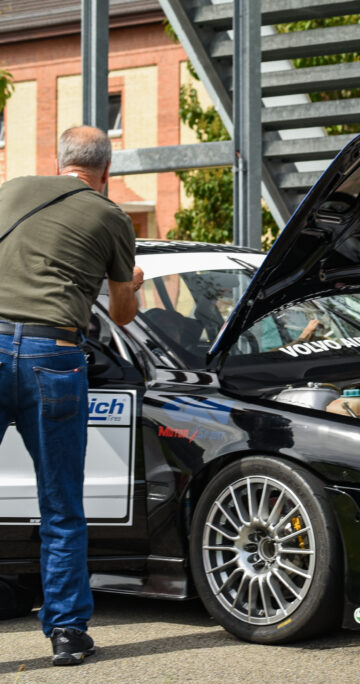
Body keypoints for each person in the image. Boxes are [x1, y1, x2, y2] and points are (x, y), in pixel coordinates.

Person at [0, 126, 143, 665]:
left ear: (57, 161)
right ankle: (66, 633)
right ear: (107, 172)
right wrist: (133, 283)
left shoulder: (10, 189)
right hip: (54, 357)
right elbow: (123, 315)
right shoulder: (111, 217)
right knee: (60, 505)